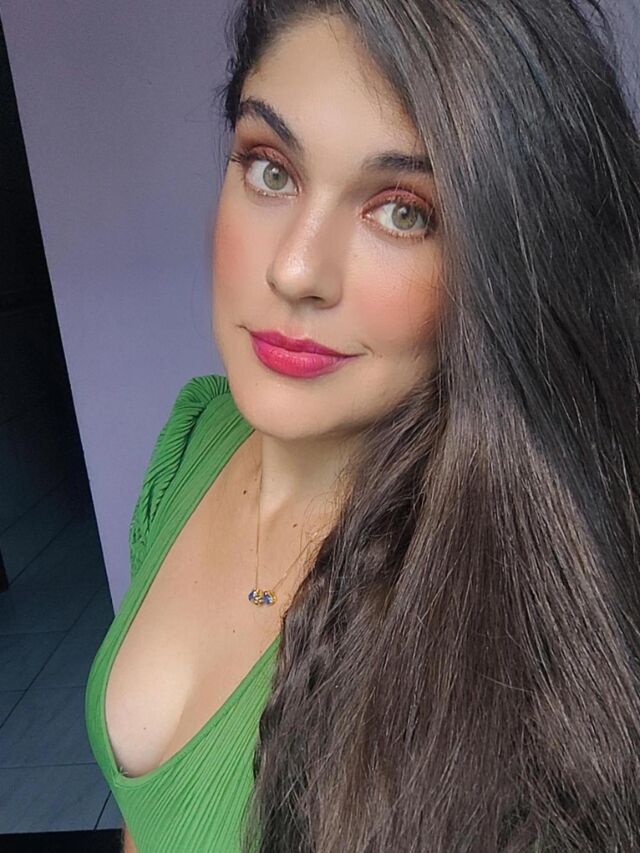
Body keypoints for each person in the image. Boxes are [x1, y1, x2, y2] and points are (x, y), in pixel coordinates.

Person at [85, 1, 640, 850]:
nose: (295, 269)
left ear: (505, 266)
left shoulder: (508, 627)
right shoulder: (194, 436)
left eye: (402, 211)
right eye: (270, 169)